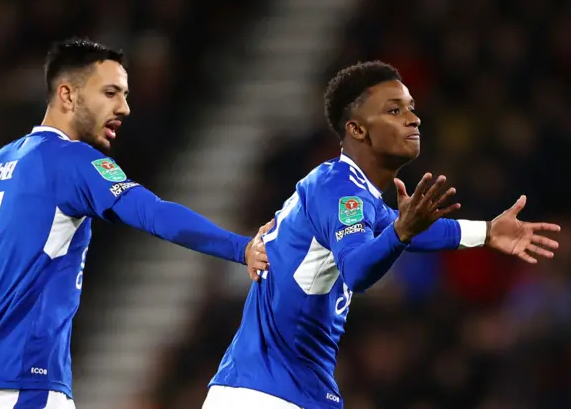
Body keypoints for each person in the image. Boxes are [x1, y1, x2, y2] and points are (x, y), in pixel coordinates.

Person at [0, 37, 271, 409]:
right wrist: (240, 247)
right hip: (27, 387)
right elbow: (154, 213)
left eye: (124, 94)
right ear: (67, 95)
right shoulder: (72, 162)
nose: (123, 107)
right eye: (110, 93)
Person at [203, 61, 561, 409]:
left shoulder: (347, 191)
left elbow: (416, 232)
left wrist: (486, 231)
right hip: (266, 395)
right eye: (394, 110)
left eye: (411, 108)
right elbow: (357, 269)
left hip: (280, 391)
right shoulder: (340, 192)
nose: (413, 119)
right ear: (358, 129)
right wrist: (402, 233)